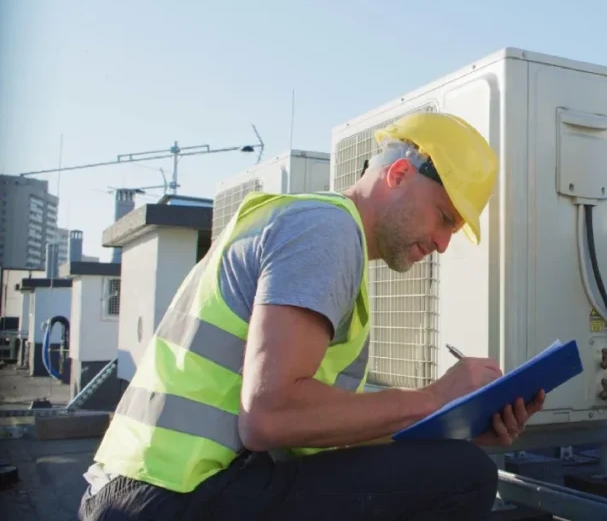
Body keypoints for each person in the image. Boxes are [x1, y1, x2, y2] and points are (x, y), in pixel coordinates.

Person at [78, 111, 546, 521]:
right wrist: (432, 397)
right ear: (399, 174)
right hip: (173, 496)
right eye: (444, 217)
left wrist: (452, 427)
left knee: (453, 464)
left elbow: (307, 433)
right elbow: (269, 417)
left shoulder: (316, 231)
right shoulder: (327, 230)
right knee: (464, 478)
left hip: (153, 490)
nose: (444, 243)